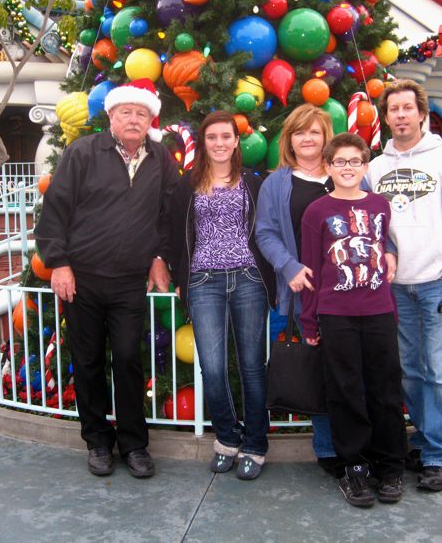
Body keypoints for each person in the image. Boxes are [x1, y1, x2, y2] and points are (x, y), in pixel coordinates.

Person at [35, 79, 178, 478]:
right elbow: (56, 208)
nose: (133, 119)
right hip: (82, 278)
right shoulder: (83, 152)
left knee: (129, 358)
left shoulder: (161, 158)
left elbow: (169, 213)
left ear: (150, 120)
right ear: (111, 116)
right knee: (88, 360)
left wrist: (159, 256)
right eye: (126, 112)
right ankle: (97, 440)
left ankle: (134, 445)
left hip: (130, 280)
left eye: (141, 113)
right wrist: (59, 263)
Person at [366, 79, 442, 492]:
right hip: (396, 287)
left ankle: (438, 455)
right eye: (393, 109)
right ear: (386, 117)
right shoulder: (375, 168)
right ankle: (422, 439)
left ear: (421, 114)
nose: (400, 115)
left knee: (441, 374)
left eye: (407, 108)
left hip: (438, 283)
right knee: (410, 372)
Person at [300, 132, 405, 508]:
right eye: (340, 162)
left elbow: (383, 249)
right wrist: (309, 320)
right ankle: (355, 467)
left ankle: (390, 466)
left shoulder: (379, 205)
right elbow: (311, 269)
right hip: (336, 315)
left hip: (378, 312)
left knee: (385, 391)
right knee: (345, 392)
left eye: (355, 161)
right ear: (328, 166)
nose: (348, 168)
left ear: (365, 165)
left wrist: (391, 309)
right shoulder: (316, 211)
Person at [168, 111, 275, 480]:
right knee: (212, 367)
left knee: (251, 365)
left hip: (248, 279)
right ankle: (227, 439)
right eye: (212, 136)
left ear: (236, 140)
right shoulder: (188, 183)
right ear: (203, 141)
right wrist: (179, 275)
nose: (219, 143)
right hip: (203, 281)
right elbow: (174, 233)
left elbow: (267, 228)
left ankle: (256, 444)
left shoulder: (254, 182)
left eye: (226, 136)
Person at [255, 104, 342, 476]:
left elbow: (371, 216)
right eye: (299, 132)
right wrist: (288, 266)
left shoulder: (343, 173)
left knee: (345, 371)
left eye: (314, 131)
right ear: (289, 140)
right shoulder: (276, 183)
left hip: (345, 295)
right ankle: (327, 448)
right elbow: (265, 233)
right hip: (298, 295)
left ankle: (350, 446)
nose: (307, 138)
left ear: (326, 137)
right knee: (310, 369)